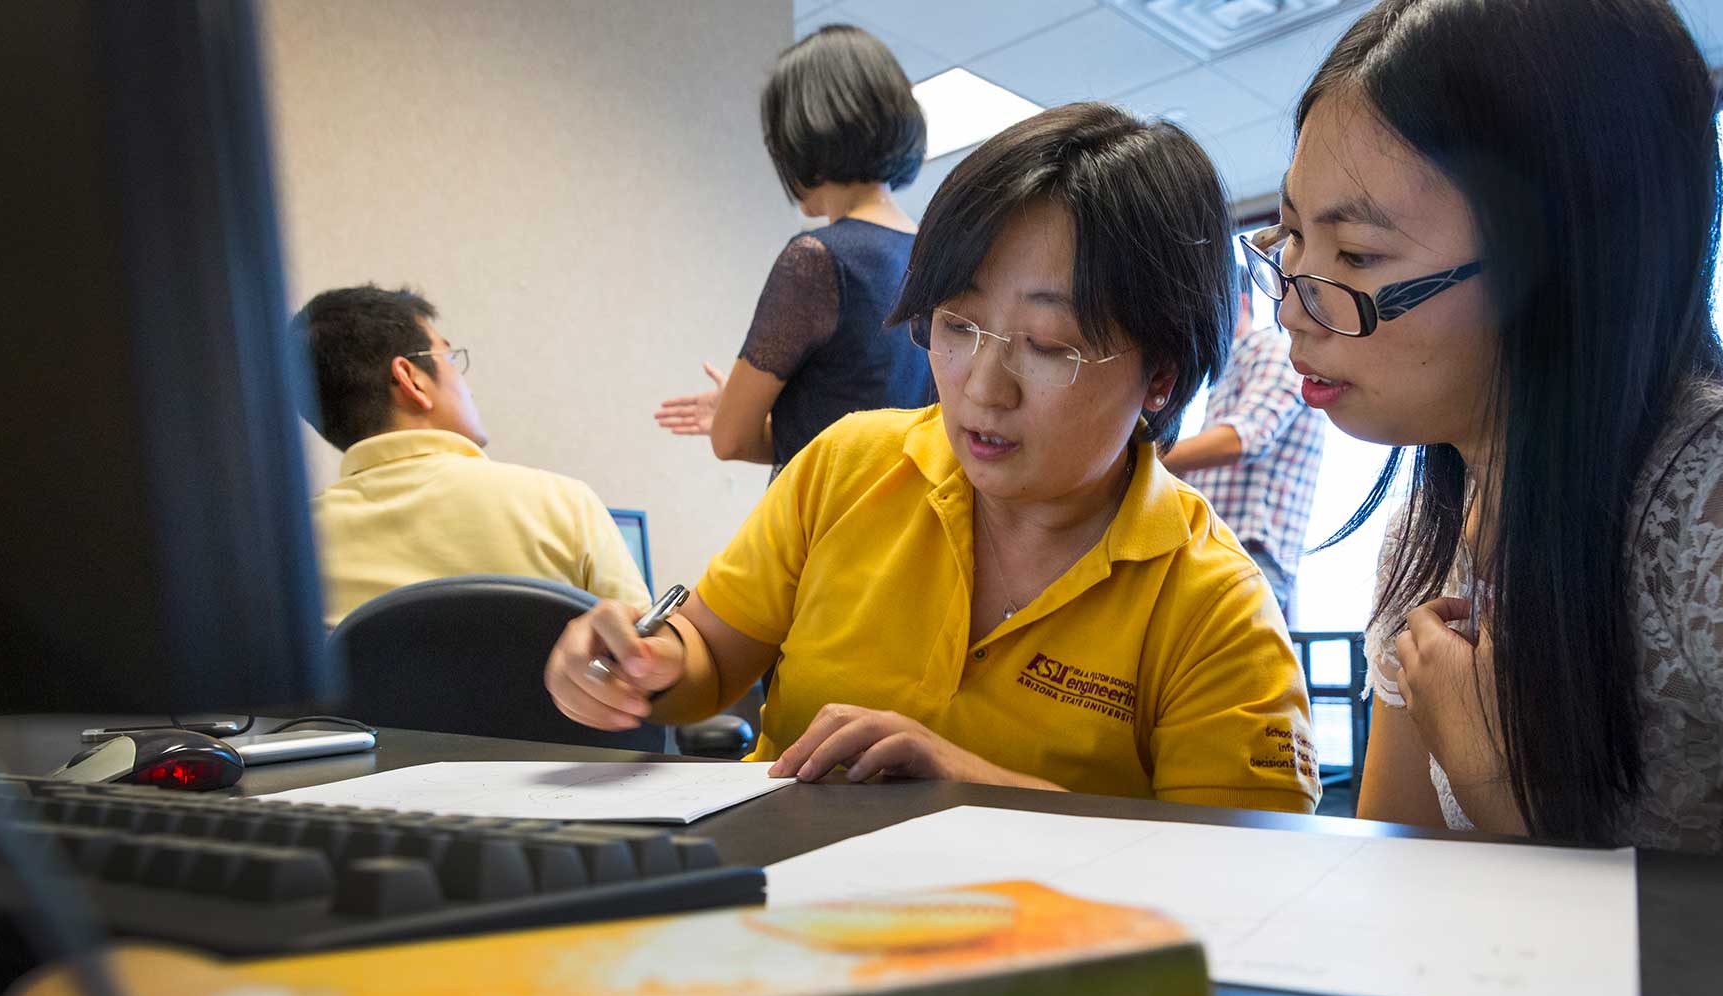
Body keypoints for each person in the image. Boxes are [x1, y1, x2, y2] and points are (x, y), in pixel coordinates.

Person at [550, 104, 1321, 812]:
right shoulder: (849, 467)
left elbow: (1236, 874)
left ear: (1163, 376)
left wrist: (972, 787)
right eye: (956, 325)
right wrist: (640, 659)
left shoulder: (1213, 606)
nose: (983, 389)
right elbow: (709, 655)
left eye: (1048, 348)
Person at [1259, 0, 1723, 864]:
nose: (1290, 311)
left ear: (1560, 263)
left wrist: (1494, 782)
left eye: (1355, 257)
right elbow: (1395, 905)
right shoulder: (1421, 541)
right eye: (1292, 240)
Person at [653, 25, 936, 480]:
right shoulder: (938, 257)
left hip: (826, 531)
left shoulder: (817, 260)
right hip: (909, 529)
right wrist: (784, 419)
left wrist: (738, 416)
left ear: (800, 134)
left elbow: (730, 440)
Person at [299, 285, 650, 627]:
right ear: (411, 380)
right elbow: (647, 662)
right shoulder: (564, 506)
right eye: (449, 357)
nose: (466, 383)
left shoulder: (293, 550)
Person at [1164, 292, 1325, 616]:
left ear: (1239, 303)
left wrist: (1144, 457)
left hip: (1249, 555)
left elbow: (1249, 437)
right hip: (1227, 552)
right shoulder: (1233, 367)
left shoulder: (1271, 350)